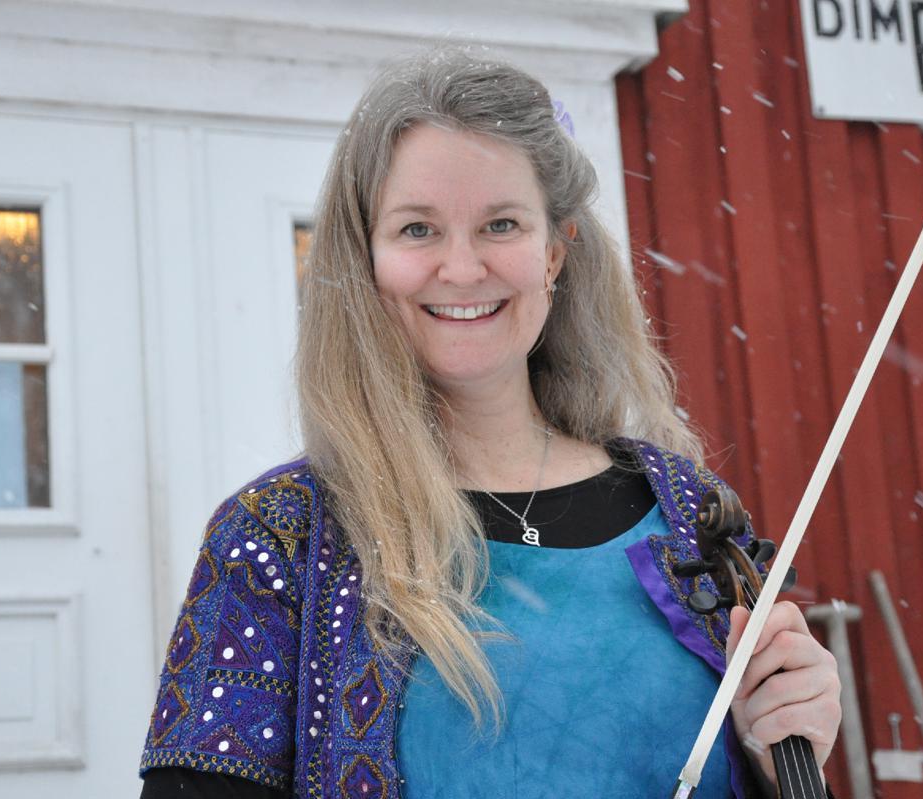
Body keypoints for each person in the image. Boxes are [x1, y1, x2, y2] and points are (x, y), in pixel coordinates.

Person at [138, 47, 841, 799]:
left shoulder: (687, 513)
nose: (463, 267)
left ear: (555, 252)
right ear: (366, 260)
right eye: (417, 229)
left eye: (501, 223)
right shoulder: (279, 532)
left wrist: (781, 763)